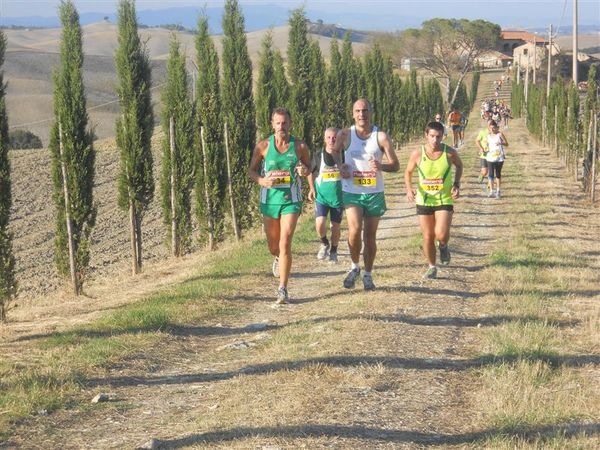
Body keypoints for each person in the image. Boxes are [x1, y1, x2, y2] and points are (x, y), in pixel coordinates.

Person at [248, 107, 315, 304]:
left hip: (291, 201)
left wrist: (305, 172)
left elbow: (309, 168)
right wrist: (261, 181)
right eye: (278, 123)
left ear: (290, 124)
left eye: (284, 123)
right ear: (272, 125)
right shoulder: (263, 147)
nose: (281, 127)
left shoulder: (300, 146)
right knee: (273, 245)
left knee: (285, 242)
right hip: (269, 201)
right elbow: (251, 171)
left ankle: (282, 288)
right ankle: (277, 258)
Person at [333, 98, 400, 290]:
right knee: (354, 231)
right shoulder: (345, 134)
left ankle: (368, 274)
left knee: (370, 236)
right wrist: (340, 165)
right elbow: (334, 152)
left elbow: (395, 165)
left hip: (374, 192)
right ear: (353, 114)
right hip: (351, 190)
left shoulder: (381, 137)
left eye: (365, 111)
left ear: (370, 113)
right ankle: (354, 267)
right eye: (358, 111)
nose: (361, 114)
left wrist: (382, 166)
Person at [405, 121, 463, 279]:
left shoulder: (449, 152)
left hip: (444, 198)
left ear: (443, 136)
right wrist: (409, 189)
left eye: (438, 136)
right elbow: (408, 171)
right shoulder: (418, 153)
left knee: (441, 234)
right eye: (432, 136)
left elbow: (459, 165)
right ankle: (432, 266)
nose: (435, 140)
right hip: (424, 200)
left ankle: (443, 245)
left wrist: (456, 184)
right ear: (426, 136)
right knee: (428, 236)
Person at [313, 127, 343, 263]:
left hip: (338, 199)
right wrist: (311, 189)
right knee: (320, 224)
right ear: (325, 139)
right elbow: (310, 171)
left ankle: (334, 250)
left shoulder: (345, 154)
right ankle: (324, 243)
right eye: (329, 137)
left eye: (334, 137)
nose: (332, 140)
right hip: (322, 197)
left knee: (335, 227)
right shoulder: (318, 156)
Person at [485, 120, 508, 199]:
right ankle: (491, 191)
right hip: (490, 157)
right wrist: (485, 148)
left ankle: (498, 191)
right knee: (490, 174)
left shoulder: (500, 134)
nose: (492, 130)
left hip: (499, 157)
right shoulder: (488, 136)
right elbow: (487, 145)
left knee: (498, 174)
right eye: (491, 128)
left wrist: (501, 143)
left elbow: (507, 143)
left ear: (496, 127)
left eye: (493, 128)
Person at [475, 119, 493, 187]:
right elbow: (477, 141)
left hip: (492, 155)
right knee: (485, 172)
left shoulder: (495, 133)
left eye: (491, 124)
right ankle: (482, 175)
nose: (490, 126)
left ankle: (490, 186)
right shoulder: (483, 132)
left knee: (491, 172)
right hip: (484, 155)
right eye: (489, 124)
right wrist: (481, 148)